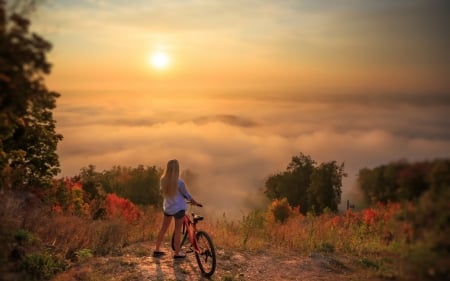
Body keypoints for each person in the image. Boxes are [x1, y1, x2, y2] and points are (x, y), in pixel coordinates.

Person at [153, 159, 198, 259]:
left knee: (163, 229)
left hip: (168, 208)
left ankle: (156, 250)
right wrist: (193, 201)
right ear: (177, 169)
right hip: (179, 209)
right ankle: (177, 253)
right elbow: (186, 194)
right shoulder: (180, 182)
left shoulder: (163, 179)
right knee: (178, 231)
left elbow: (162, 191)